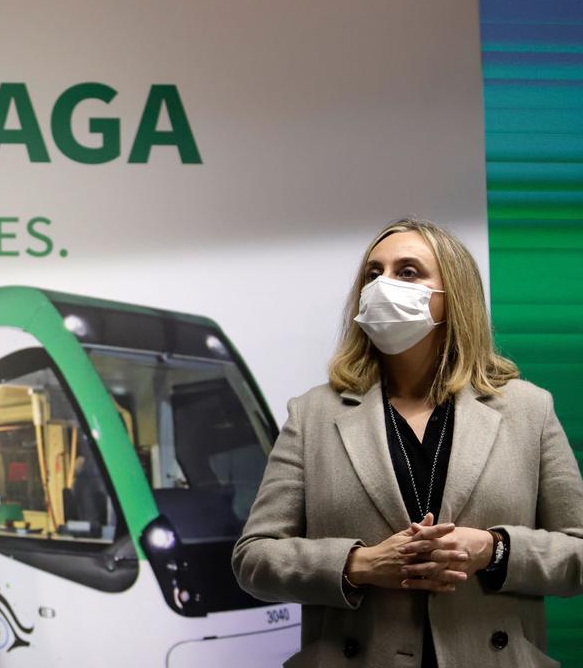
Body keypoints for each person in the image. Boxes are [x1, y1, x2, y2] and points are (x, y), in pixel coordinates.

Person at [232, 218, 583, 667]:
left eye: (408, 272)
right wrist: (360, 564)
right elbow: (254, 559)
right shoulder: (314, 414)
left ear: (453, 295)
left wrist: (493, 550)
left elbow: (576, 554)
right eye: (373, 274)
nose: (383, 285)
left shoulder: (527, 409)